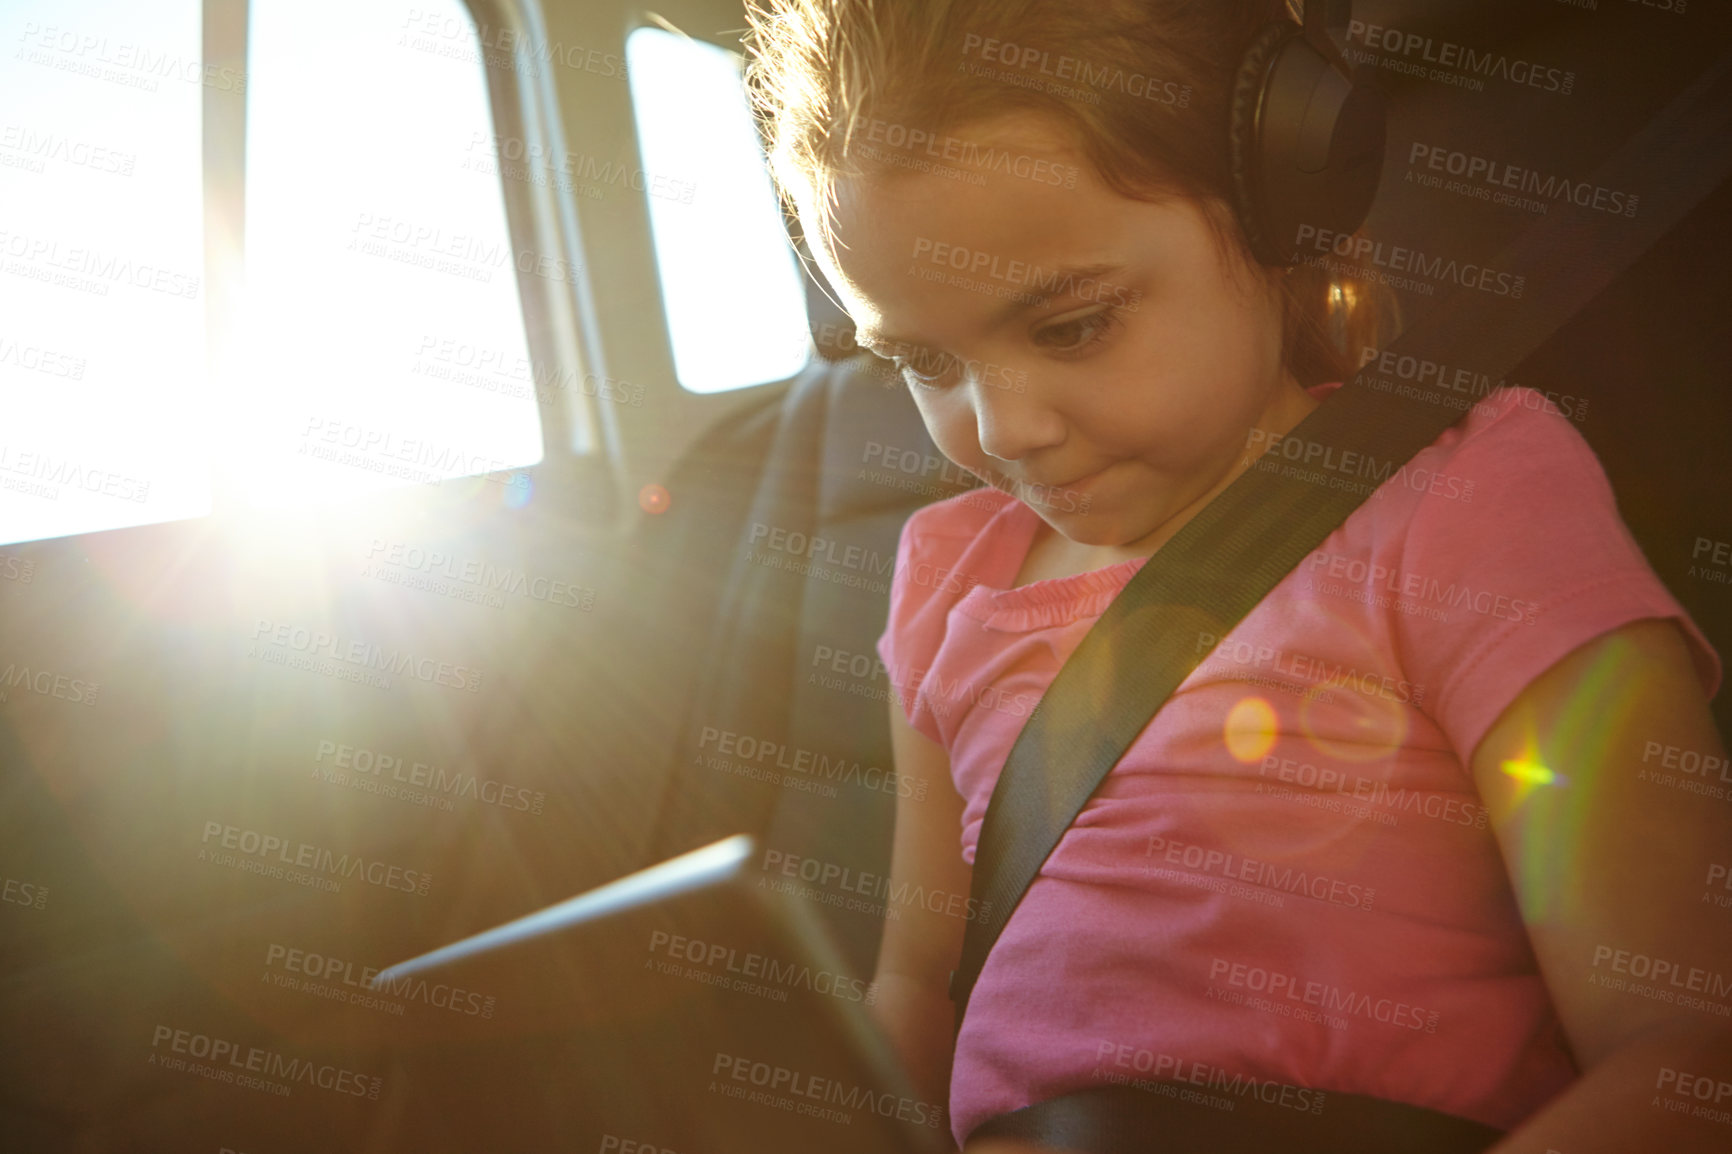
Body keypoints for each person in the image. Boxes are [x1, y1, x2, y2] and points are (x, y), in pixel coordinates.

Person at [742, 1, 1732, 1150]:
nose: (1004, 426)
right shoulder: (947, 578)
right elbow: (913, 996)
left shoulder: (1462, 504)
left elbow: (1685, 1049)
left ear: (1279, 209)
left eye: (1070, 327)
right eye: (922, 358)